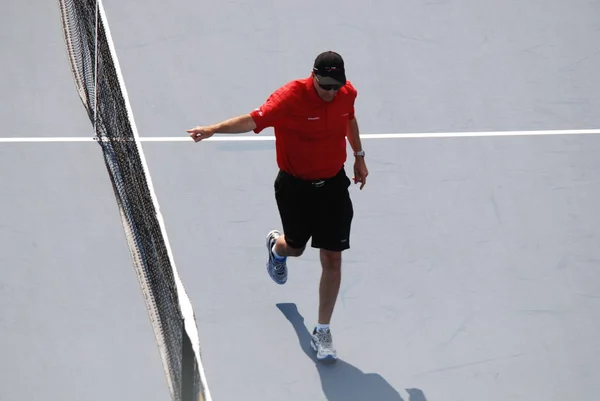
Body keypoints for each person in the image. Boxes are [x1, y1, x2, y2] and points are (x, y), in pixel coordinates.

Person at [186, 50, 368, 362]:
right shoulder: (289, 98)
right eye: (325, 86)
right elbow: (252, 120)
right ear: (313, 76)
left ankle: (322, 330)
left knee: (332, 260)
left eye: (335, 86)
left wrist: (359, 156)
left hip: (334, 187)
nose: (330, 92)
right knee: (295, 247)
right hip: (295, 188)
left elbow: (349, 118)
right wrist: (214, 128)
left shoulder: (345, 93)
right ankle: (277, 248)